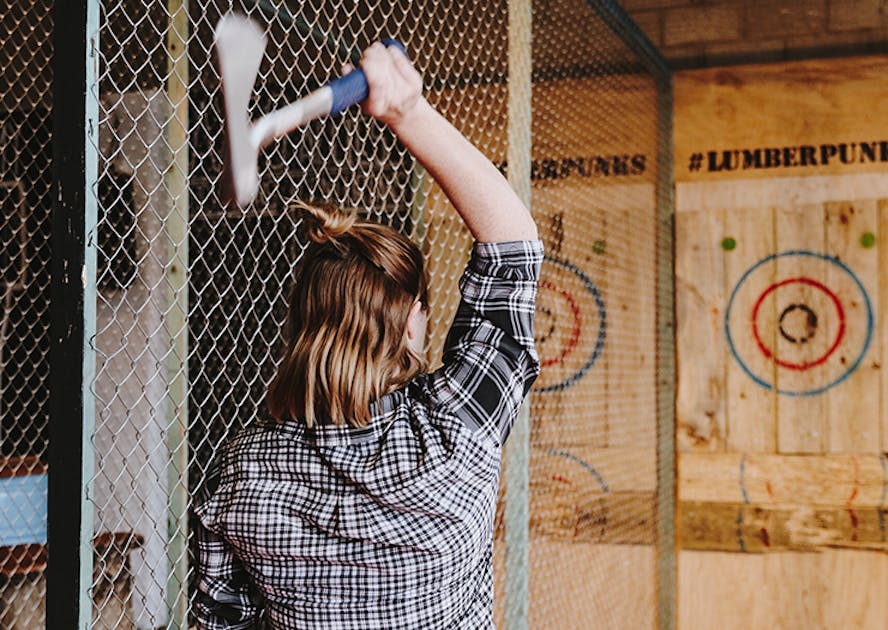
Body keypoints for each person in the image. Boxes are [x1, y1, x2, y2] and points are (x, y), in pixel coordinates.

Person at [193, 40, 542, 629]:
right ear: (411, 320)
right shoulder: (454, 432)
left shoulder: (243, 468)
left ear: (302, 322)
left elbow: (220, 621)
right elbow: (513, 248)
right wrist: (411, 115)